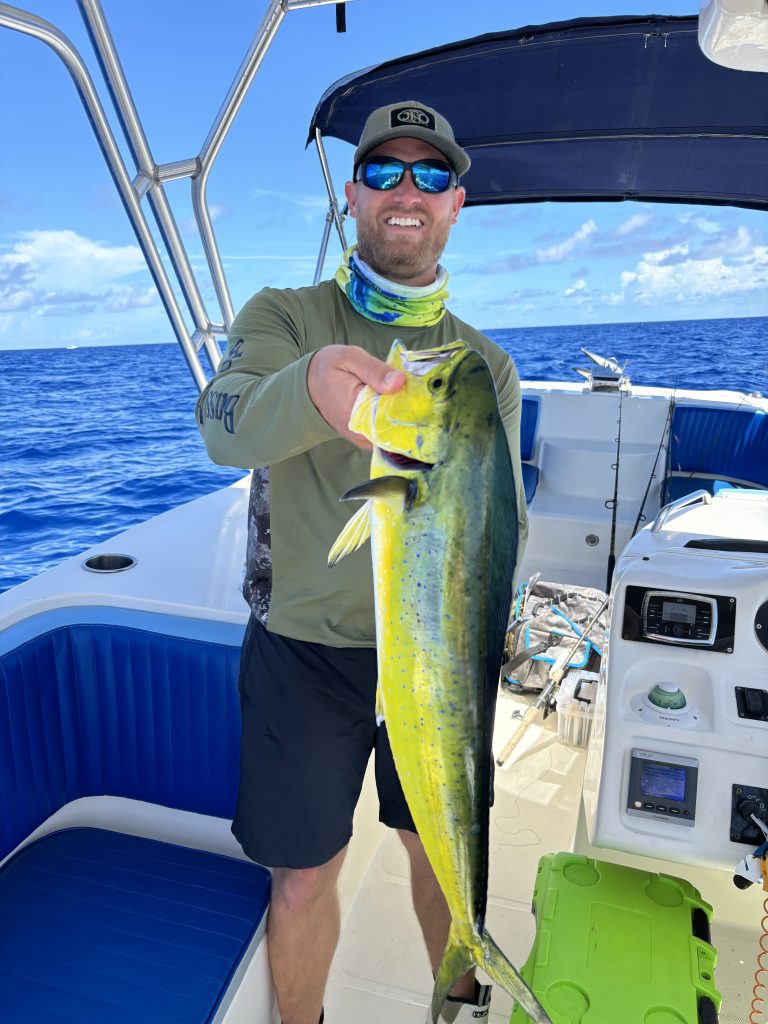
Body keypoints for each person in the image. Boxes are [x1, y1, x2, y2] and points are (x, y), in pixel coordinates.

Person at [196, 100, 529, 1024]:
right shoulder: (286, 317)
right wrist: (307, 387)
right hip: (306, 651)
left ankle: (458, 1003)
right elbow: (224, 423)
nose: (407, 193)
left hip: (439, 664)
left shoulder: (483, 370)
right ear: (353, 198)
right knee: (303, 878)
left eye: (430, 175)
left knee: (447, 857)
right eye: (384, 173)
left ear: (456, 202)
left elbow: (502, 535)